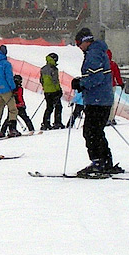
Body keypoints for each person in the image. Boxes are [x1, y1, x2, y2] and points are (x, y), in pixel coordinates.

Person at [71, 28, 119, 177]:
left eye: (79, 43)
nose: (78, 46)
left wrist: (81, 84)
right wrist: (82, 80)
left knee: (90, 132)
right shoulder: (98, 52)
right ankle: (105, 161)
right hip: (102, 98)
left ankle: (98, 162)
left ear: (86, 41)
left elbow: (96, 78)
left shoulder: (93, 54)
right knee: (97, 131)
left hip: (97, 99)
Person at [39, 53, 64, 130]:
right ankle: (57, 122)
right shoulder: (54, 69)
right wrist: (59, 90)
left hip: (47, 91)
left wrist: (45, 87)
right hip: (54, 91)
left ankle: (45, 123)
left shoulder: (43, 69)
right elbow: (55, 81)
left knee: (49, 107)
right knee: (58, 107)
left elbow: (41, 80)